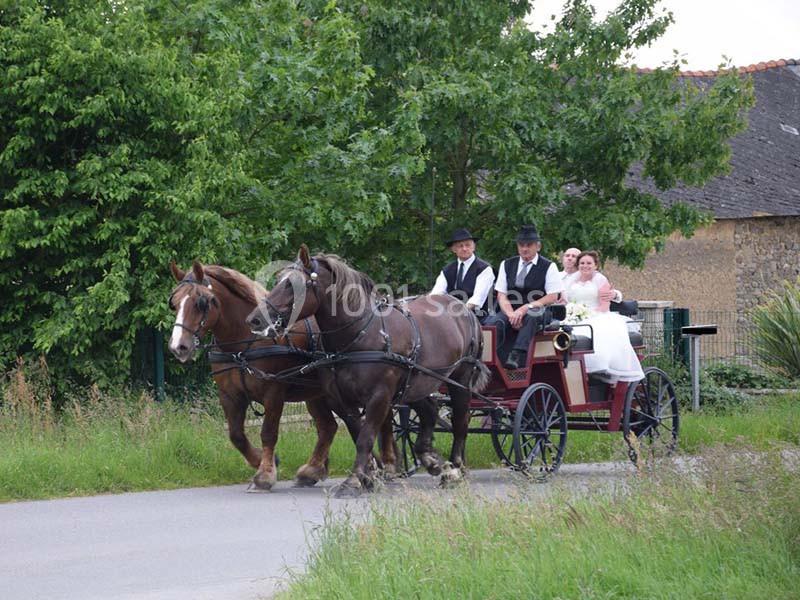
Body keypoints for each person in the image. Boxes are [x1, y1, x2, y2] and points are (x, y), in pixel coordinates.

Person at [484, 224, 563, 369]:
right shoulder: (507, 264)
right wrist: (511, 314)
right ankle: (489, 360)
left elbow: (552, 296)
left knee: (531, 317)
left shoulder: (548, 266)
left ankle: (517, 354)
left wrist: (526, 307)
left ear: (538, 246)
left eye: (529, 245)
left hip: (537, 309)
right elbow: (502, 294)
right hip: (510, 309)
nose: (524, 248)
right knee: (495, 322)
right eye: (521, 245)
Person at [562, 250, 644, 384]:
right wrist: (571, 314)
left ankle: (598, 368)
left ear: (595, 265)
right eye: (582, 263)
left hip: (597, 315)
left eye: (589, 263)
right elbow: (565, 301)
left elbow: (604, 306)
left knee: (593, 330)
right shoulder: (571, 280)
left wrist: (586, 315)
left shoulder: (600, 279)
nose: (585, 266)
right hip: (573, 315)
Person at [430, 228, 495, 321]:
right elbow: (436, 294)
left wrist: (457, 313)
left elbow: (477, 298)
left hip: (478, 315)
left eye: (468, 245)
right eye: (460, 246)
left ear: (473, 247)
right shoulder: (447, 270)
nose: (464, 249)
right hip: (450, 314)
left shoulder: (484, 269)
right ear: (453, 249)